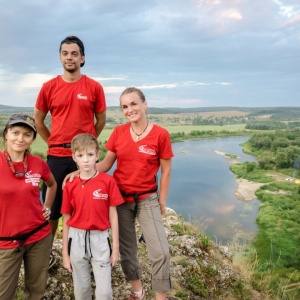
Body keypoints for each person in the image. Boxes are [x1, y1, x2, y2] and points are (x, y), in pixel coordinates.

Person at [66, 87, 173, 300]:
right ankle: (137, 290)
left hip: (147, 198)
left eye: (133, 104)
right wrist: (77, 173)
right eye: (125, 106)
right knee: (127, 249)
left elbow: (166, 170)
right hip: (120, 198)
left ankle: (161, 297)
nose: (129, 109)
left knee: (160, 252)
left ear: (144, 104)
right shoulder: (119, 133)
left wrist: (161, 201)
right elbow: (105, 163)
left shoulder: (160, 134)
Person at [34, 35, 106, 268]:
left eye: (74, 53)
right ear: (60, 57)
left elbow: (101, 120)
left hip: (83, 159)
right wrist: (54, 142)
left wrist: (85, 146)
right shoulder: (49, 87)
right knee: (53, 210)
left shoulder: (94, 87)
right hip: (56, 157)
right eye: (65, 53)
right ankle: (47, 254)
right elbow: (38, 120)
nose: (69, 57)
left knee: (88, 205)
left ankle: (90, 253)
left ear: (82, 58)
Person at [0, 113, 56, 300]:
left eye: (26, 134)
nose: (20, 138)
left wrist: (47, 206)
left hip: (39, 236)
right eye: (15, 132)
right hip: (6, 241)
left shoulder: (38, 163)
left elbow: (52, 185)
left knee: (36, 292)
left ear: (32, 139)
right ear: (6, 134)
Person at [61, 133, 123, 299]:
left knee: (104, 293)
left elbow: (113, 215)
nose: (86, 160)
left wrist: (115, 248)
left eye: (90, 155)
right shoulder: (70, 184)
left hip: (100, 239)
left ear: (97, 155)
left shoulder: (107, 182)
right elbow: (66, 219)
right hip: (76, 238)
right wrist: (65, 254)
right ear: (74, 157)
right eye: (80, 155)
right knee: (81, 291)